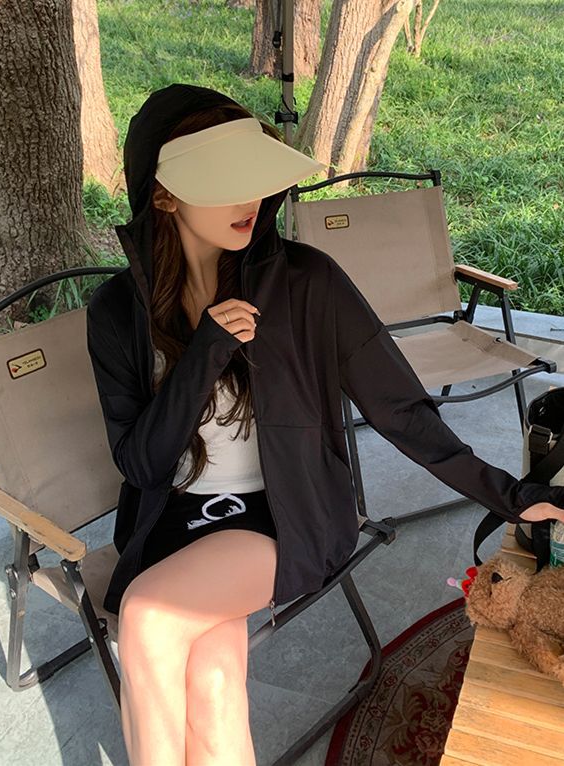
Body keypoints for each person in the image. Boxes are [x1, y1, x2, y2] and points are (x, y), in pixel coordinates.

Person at [86, 83, 564, 766]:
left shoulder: (307, 283)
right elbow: (141, 464)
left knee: (148, 617)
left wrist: (511, 495)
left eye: (254, 178)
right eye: (225, 183)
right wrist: (203, 356)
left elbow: (400, 409)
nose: (251, 201)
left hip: (284, 517)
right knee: (213, 686)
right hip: (172, 525)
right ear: (164, 196)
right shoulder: (116, 312)